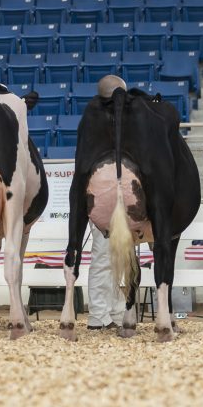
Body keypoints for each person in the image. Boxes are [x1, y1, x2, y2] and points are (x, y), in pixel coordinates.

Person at [85, 74, 130, 330]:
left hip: (115, 195)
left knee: (115, 258)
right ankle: (98, 316)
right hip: (103, 197)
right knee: (103, 256)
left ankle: (114, 312)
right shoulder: (100, 123)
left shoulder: (98, 122)